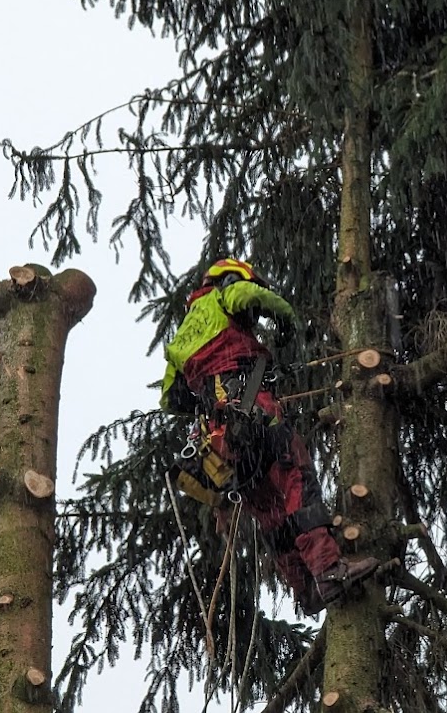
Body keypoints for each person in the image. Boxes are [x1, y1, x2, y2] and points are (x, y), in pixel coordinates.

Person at [161, 257, 380, 612]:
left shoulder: (181, 336)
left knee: (271, 513)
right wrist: (287, 322)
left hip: (221, 438)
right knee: (296, 479)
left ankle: (305, 588)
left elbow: (171, 399)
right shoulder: (224, 295)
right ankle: (328, 569)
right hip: (251, 408)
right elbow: (253, 296)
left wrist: (208, 386)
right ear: (228, 279)